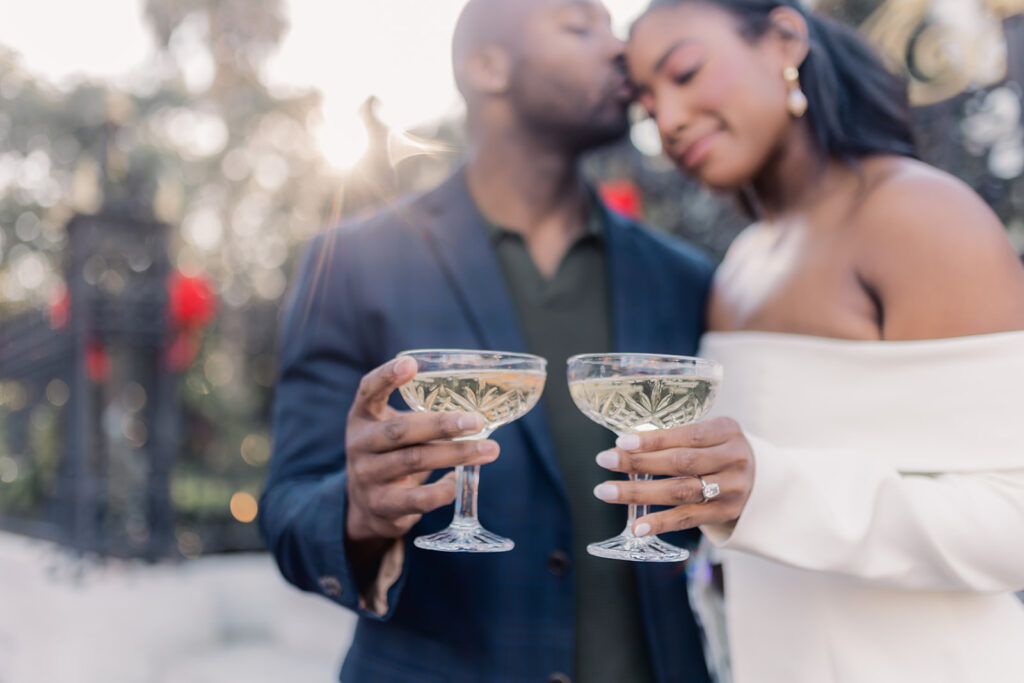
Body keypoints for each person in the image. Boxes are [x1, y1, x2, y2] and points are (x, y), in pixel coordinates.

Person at [259, 1, 714, 681]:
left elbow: (713, 499)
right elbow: (288, 510)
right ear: (488, 66)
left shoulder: (684, 279)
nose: (618, 47)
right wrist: (358, 509)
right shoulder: (353, 263)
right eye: (580, 26)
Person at [589, 1, 1024, 681]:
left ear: (785, 40)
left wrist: (768, 490)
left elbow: (1014, 522)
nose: (667, 120)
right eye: (646, 104)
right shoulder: (740, 265)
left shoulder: (916, 215)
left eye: (686, 73)